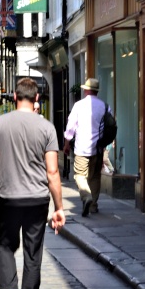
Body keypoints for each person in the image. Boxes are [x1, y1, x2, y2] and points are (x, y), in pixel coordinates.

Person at [0, 77, 65, 289]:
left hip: (8, 198)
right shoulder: (47, 128)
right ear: (37, 98)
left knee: (5, 247)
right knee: (33, 255)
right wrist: (59, 207)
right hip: (37, 200)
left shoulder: (0, 125)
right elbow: (53, 172)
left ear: (14, 98)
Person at [63, 77, 109, 217]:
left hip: (82, 148)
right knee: (95, 177)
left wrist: (66, 143)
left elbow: (71, 127)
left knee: (79, 175)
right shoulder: (105, 106)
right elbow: (110, 126)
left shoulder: (78, 105)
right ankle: (93, 206)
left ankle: (86, 197)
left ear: (87, 90)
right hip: (98, 148)